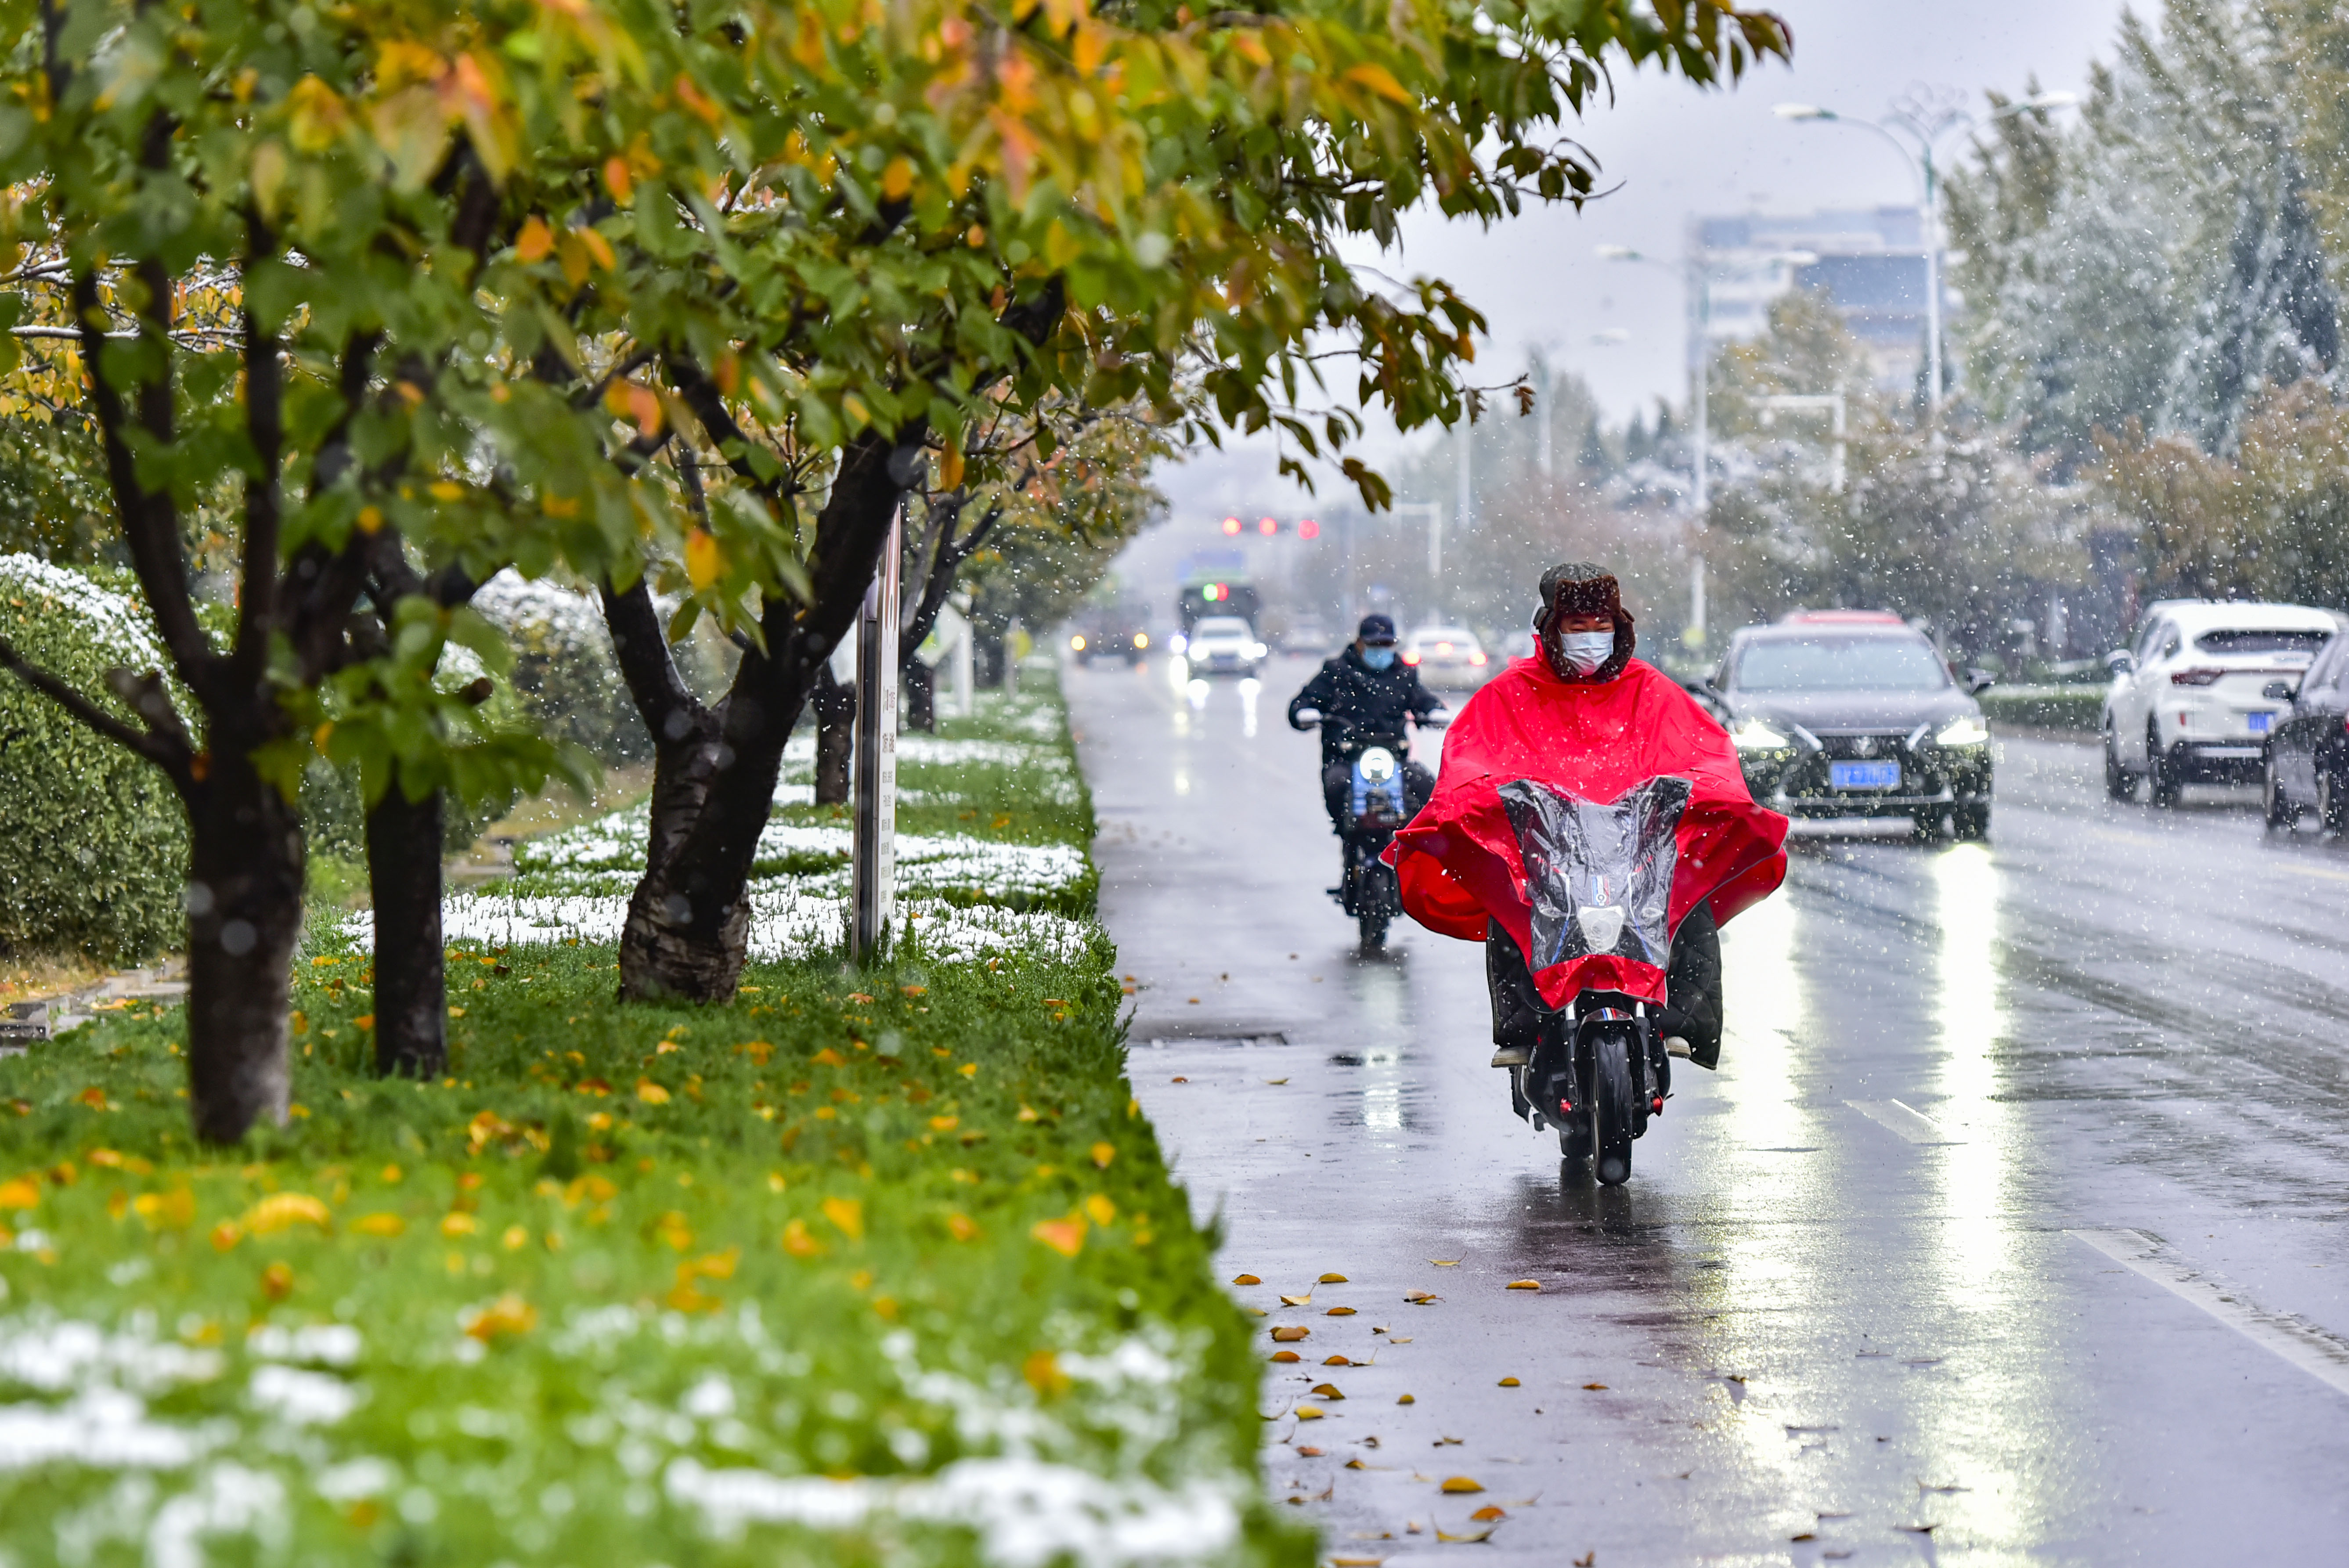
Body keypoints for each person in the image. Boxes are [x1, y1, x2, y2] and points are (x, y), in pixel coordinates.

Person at [1383, 563, 1788, 1071]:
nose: (1592, 640)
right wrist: (1480, 800)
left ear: (1621, 629)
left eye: (1604, 628)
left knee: (1687, 899)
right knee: (1512, 901)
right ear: (1553, 628)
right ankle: (1522, 1026)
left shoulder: (1650, 690)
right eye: (1579, 628)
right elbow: (1472, 759)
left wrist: (1711, 793)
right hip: (1550, 854)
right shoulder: (1510, 694)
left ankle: (1683, 1020)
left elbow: (1703, 753)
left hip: (1635, 852)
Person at [1287, 613, 1445, 831]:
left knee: (1425, 784)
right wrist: (1305, 713)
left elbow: (1424, 700)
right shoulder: (1337, 671)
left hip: (1394, 760)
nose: (1381, 649)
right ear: (1360, 643)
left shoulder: (1403, 674)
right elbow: (1304, 702)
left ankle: (1416, 841)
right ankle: (1344, 831)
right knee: (1337, 783)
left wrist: (1434, 712)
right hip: (1346, 756)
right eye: (1374, 644)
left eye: (1386, 644)